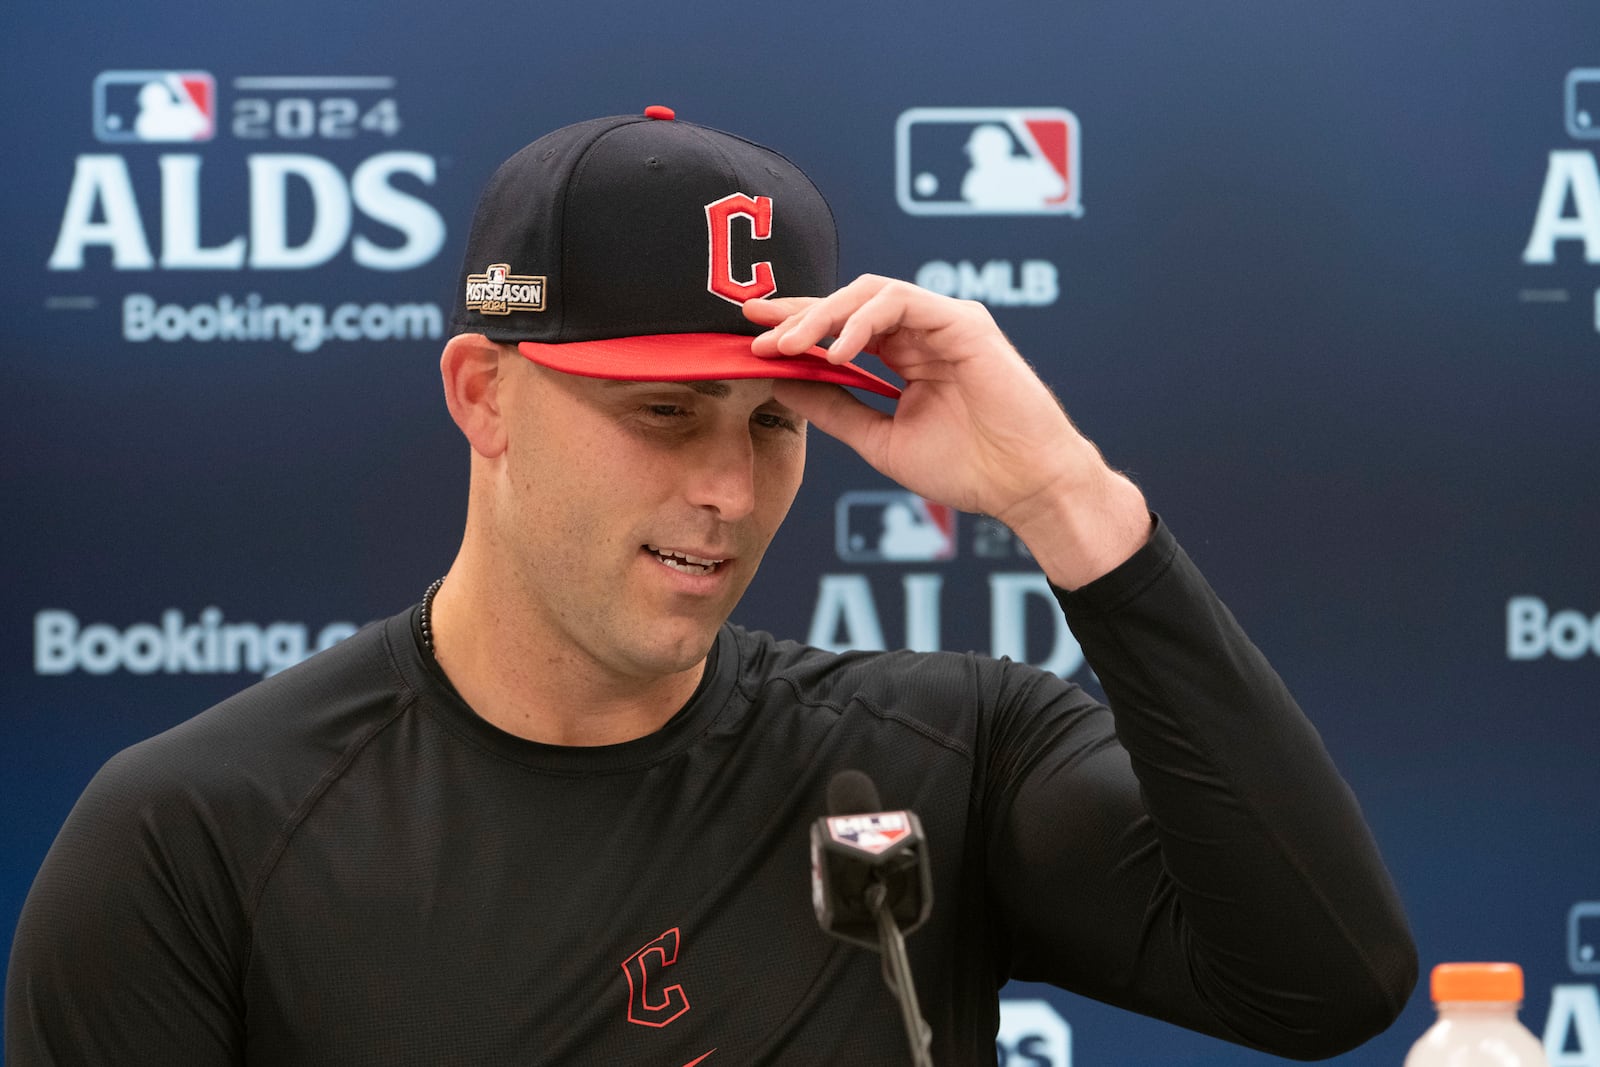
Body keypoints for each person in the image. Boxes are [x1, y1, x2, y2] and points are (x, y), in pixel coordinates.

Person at [5, 106, 1417, 1065]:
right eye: (666, 414)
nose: (731, 493)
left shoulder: (945, 753)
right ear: (484, 396)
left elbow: (1327, 980)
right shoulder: (195, 840)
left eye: (774, 424)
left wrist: (1069, 501)